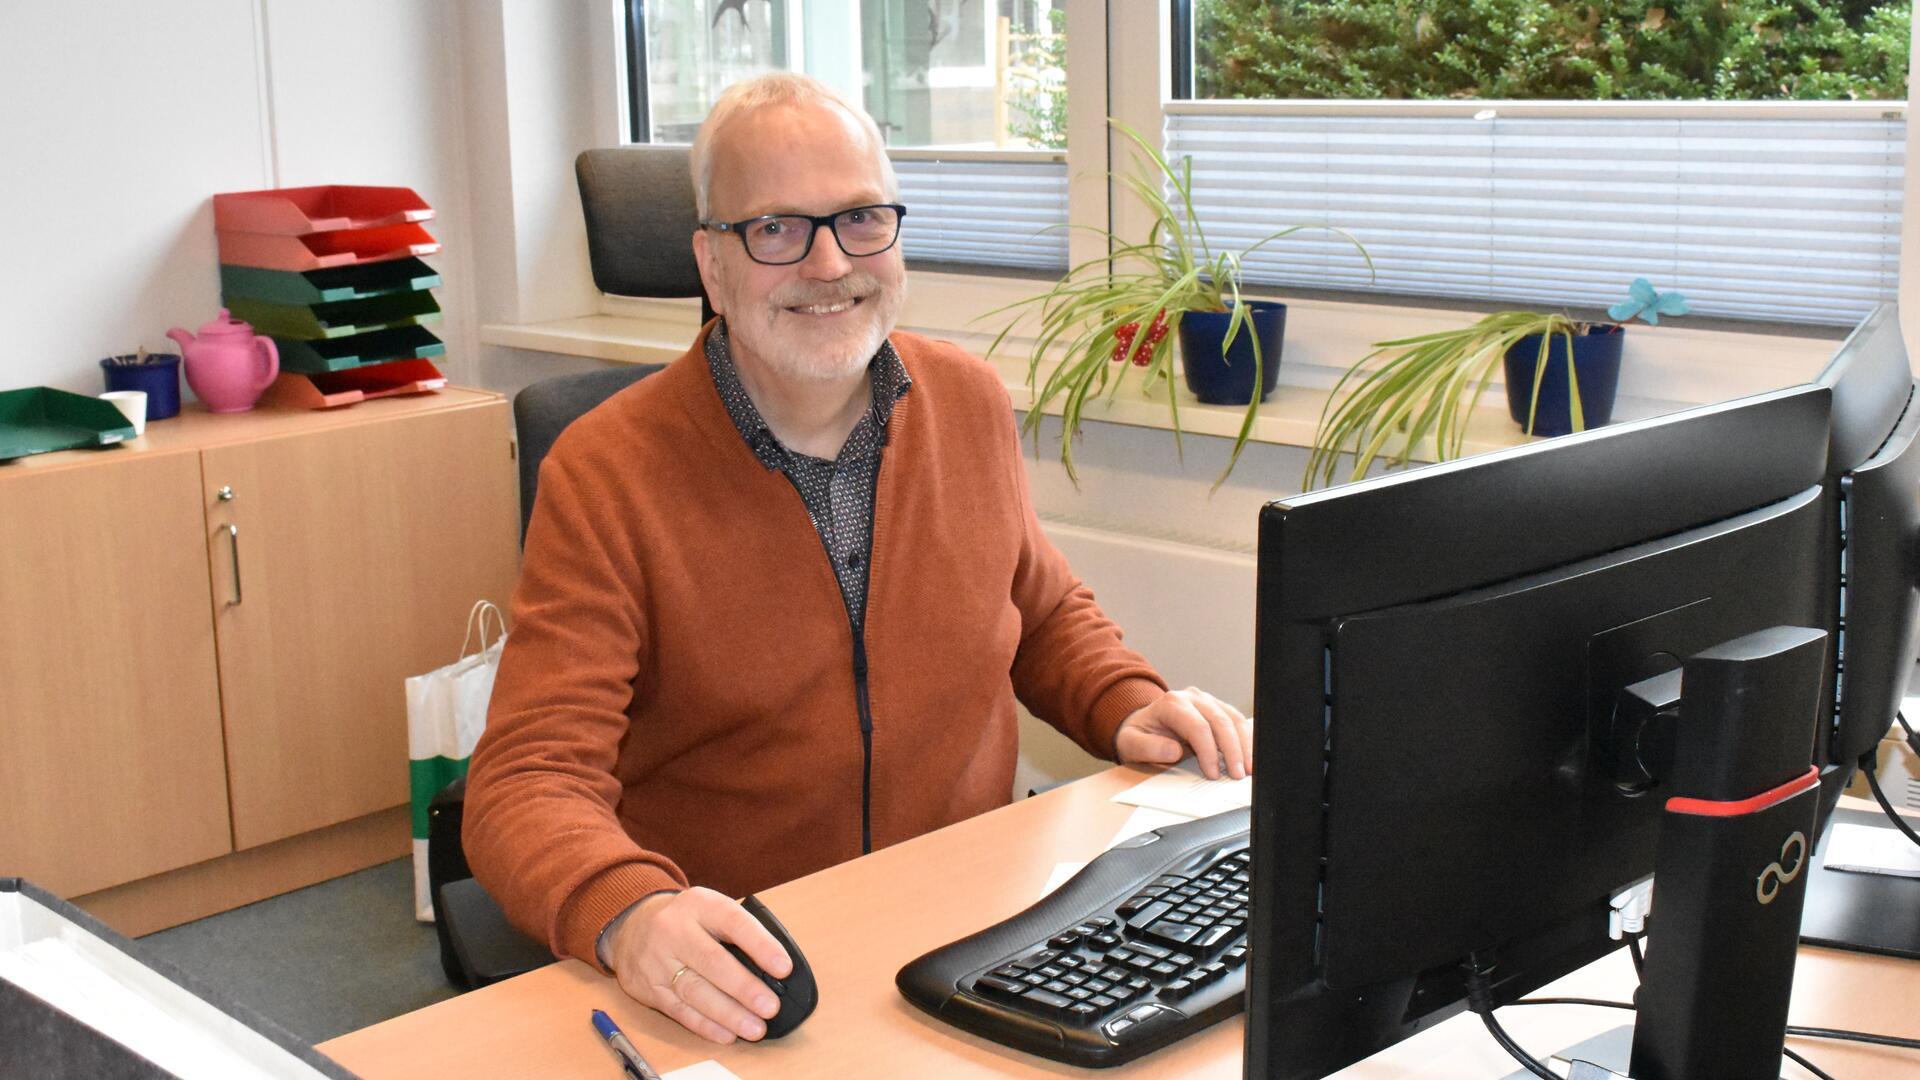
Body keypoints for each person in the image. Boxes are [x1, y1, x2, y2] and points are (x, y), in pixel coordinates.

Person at [463, 72, 1252, 1047]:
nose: (831, 263)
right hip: (744, 961)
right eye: (778, 230)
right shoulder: (608, 470)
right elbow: (526, 779)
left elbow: (1038, 614)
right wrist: (630, 914)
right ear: (712, 263)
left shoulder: (965, 400)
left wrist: (1130, 702)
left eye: (861, 218)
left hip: (965, 925)